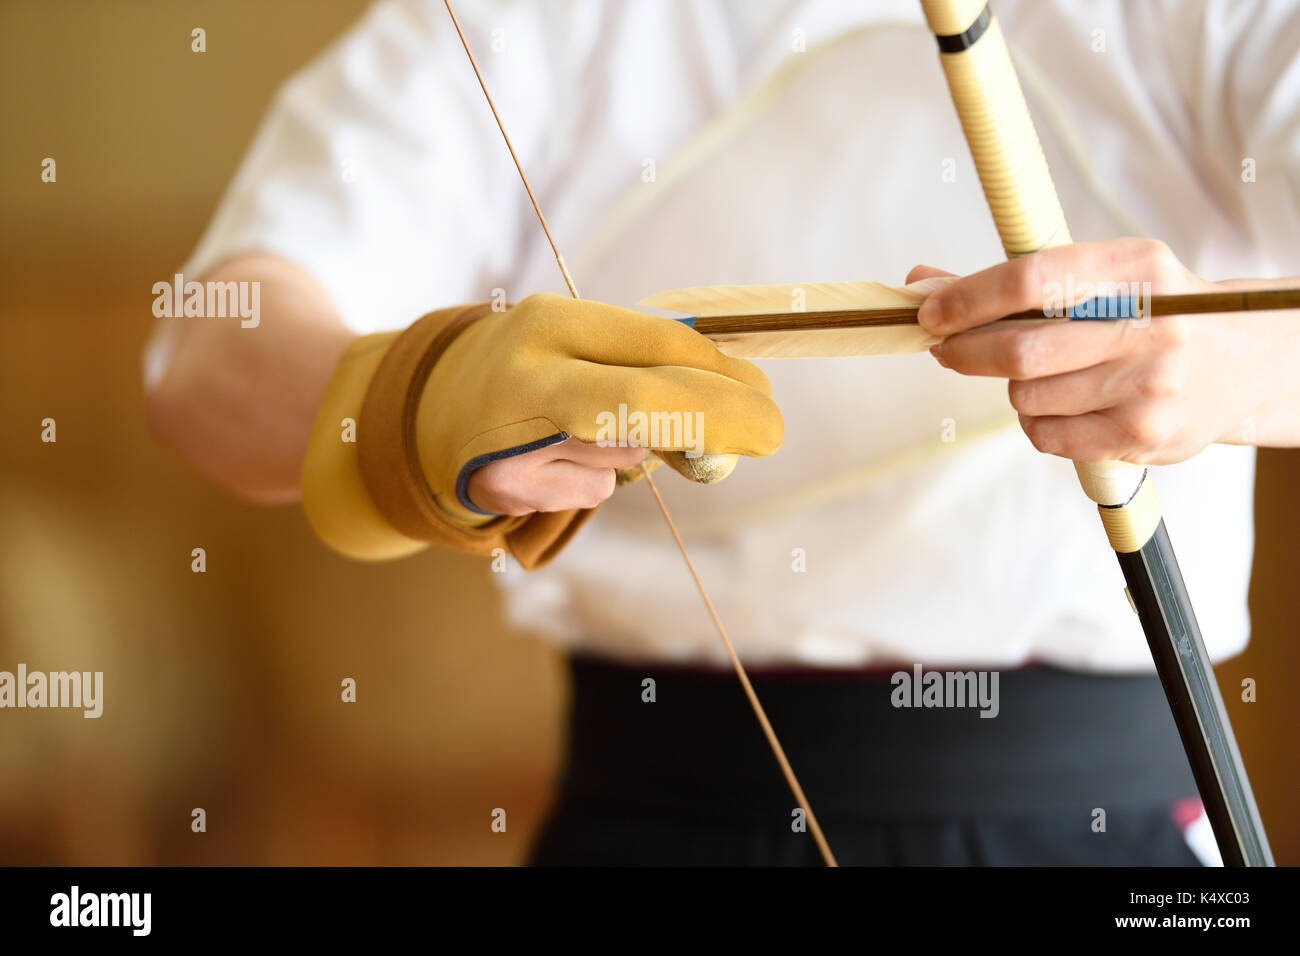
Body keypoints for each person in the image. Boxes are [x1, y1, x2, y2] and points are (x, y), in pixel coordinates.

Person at [143, 0, 1300, 865]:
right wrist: (416, 389)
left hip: (1101, 819)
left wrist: (1228, 360)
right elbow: (206, 357)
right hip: (657, 810)